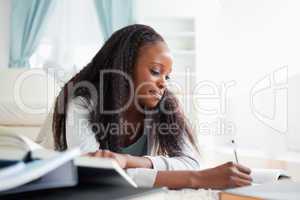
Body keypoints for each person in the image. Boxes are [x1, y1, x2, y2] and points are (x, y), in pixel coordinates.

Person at [39, 24, 252, 189]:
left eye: (167, 76)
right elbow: (95, 173)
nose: (163, 83)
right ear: (124, 67)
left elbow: (190, 161)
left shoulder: (163, 105)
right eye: (156, 71)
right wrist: (196, 179)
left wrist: (128, 160)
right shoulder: (83, 103)